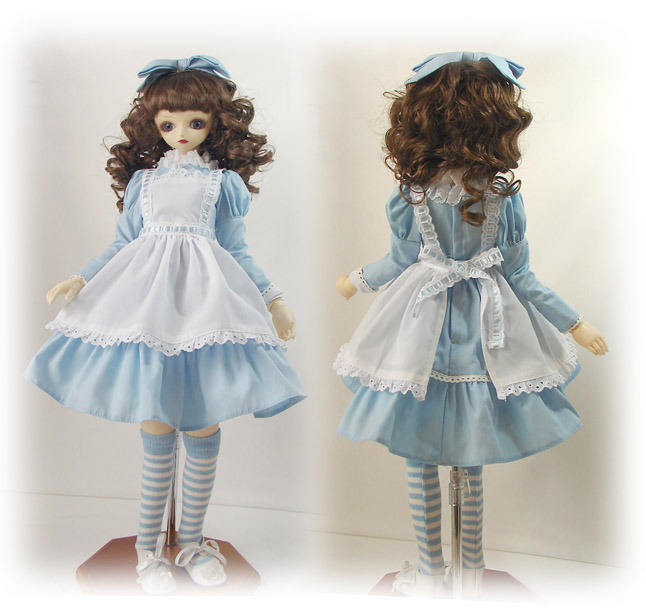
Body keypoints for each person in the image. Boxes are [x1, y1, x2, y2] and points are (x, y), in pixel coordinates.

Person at [25, 55, 306, 594]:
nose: (181, 132)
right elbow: (122, 243)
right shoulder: (144, 184)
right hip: (146, 309)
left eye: (195, 122)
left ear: (216, 123)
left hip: (206, 311)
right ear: (152, 125)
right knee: (156, 425)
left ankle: (193, 541)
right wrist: (80, 278)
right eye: (168, 122)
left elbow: (237, 250)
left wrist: (275, 300)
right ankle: (147, 551)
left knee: (202, 424)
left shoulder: (222, 185)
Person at [333, 51, 607, 599]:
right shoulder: (447, 196)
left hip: (445, 328)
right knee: (454, 450)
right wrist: (359, 279)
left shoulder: (464, 196)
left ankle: (452, 574)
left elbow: (502, 272)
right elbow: (503, 273)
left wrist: (573, 322)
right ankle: (451, 574)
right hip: (452, 328)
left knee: (448, 451)